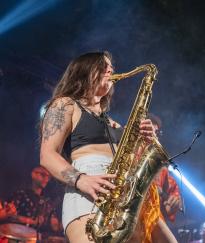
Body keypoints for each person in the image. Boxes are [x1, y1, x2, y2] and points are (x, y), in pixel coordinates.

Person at [39, 51, 176, 243]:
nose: (110, 70)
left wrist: (146, 141)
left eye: (111, 67)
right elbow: (47, 155)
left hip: (128, 195)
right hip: (90, 193)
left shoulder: (116, 124)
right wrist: (81, 179)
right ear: (84, 71)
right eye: (103, 66)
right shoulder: (66, 104)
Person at [5, 166, 61, 240]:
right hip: (17, 239)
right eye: (43, 175)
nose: (46, 179)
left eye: (49, 177)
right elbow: (9, 216)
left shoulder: (47, 202)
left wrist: (55, 224)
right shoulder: (21, 194)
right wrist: (32, 221)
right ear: (33, 174)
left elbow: (53, 225)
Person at [148, 113, 183, 222]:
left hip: (151, 224)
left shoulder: (162, 168)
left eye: (157, 133)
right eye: (150, 130)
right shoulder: (124, 154)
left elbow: (174, 194)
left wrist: (176, 202)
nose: (155, 136)